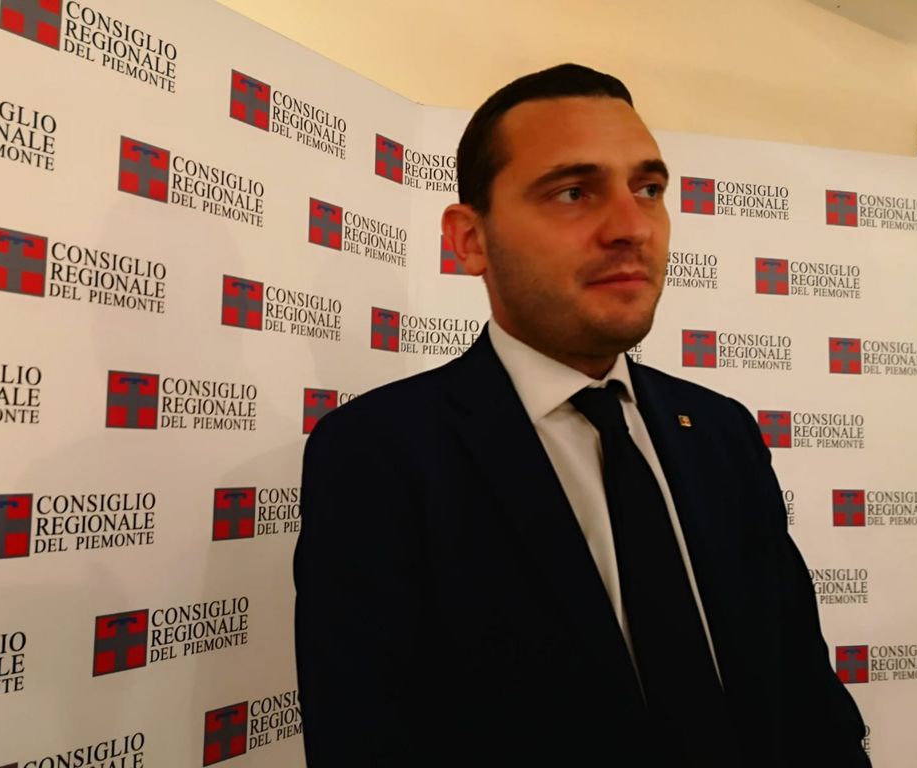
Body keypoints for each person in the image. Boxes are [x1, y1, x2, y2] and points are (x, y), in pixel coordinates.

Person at [293, 64, 870, 766]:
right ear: (470, 239)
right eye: (573, 192)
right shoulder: (379, 455)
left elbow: (805, 698)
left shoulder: (722, 433)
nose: (632, 227)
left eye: (648, 189)